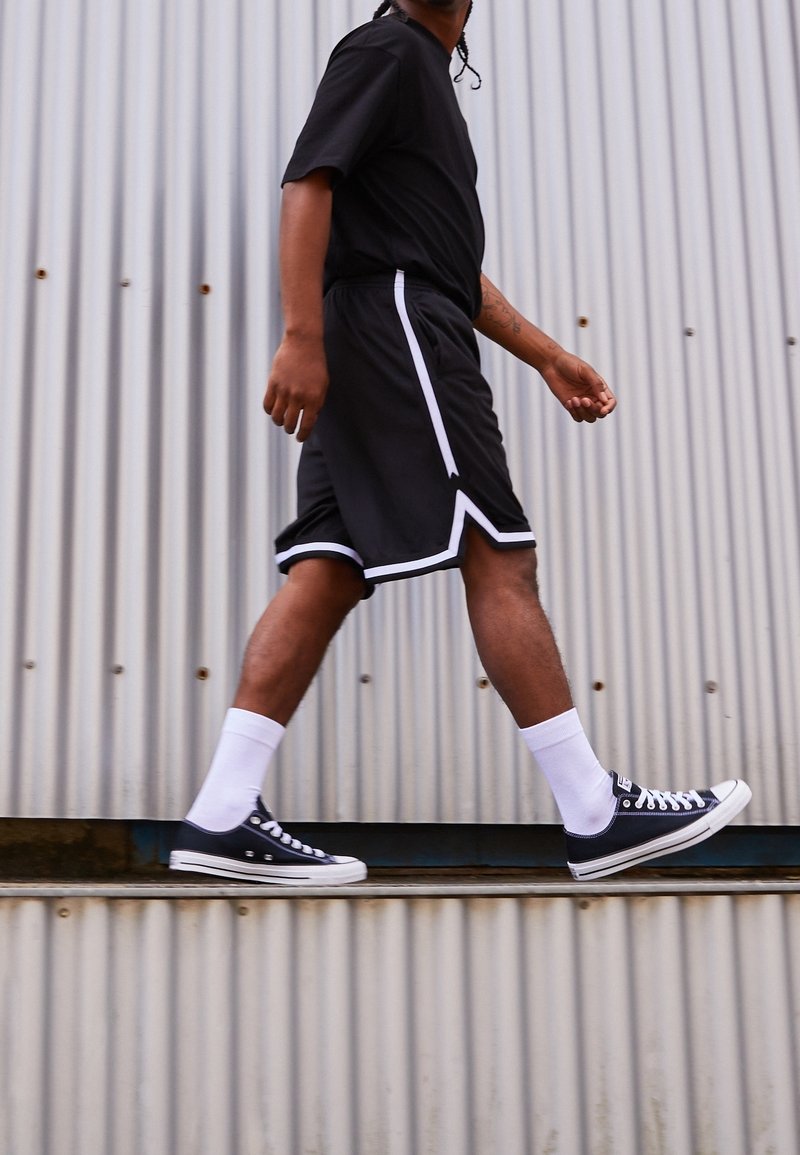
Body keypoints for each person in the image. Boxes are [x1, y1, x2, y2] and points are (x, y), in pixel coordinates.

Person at [170, 0, 750, 885]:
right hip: (397, 324)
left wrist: (547, 354)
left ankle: (219, 812)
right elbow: (308, 182)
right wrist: (300, 335)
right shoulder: (387, 50)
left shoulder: (425, 78)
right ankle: (594, 812)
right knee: (497, 547)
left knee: (329, 562)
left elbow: (449, 263)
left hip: (386, 320)